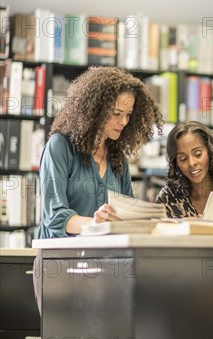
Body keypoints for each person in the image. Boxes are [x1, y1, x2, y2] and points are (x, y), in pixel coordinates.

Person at [38, 66, 164, 238]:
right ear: (96, 110)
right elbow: (54, 217)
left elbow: (126, 215)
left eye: (128, 114)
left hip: (99, 255)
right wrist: (95, 224)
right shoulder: (60, 146)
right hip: (58, 256)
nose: (124, 122)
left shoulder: (117, 158)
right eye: (117, 113)